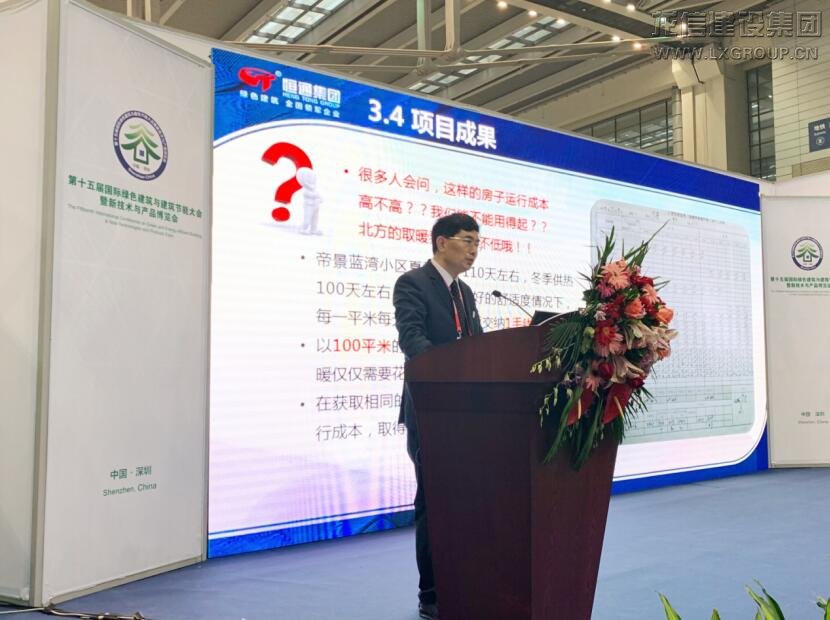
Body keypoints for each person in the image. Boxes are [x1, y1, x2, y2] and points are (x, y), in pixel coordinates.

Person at [392, 213, 483, 620]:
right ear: (442, 242)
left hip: (468, 413)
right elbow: (412, 340)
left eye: (477, 242)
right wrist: (450, 378)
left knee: (467, 500)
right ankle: (431, 592)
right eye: (467, 240)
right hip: (431, 410)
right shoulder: (413, 283)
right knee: (434, 501)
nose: (474, 250)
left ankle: (466, 582)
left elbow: (478, 347)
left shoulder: (466, 292)